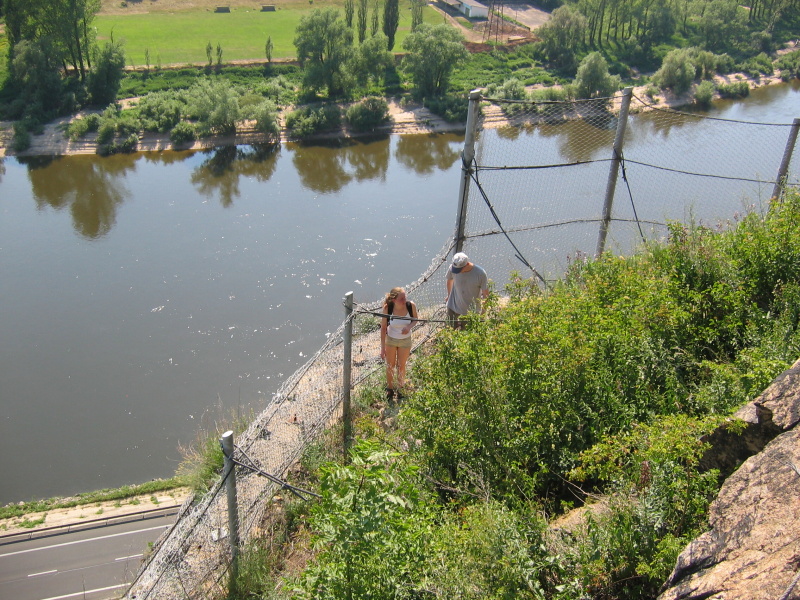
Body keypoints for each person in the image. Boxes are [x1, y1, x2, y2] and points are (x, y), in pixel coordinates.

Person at [380, 287, 417, 399]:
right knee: (390, 365)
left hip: (405, 340)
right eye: (401, 298)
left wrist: (409, 327)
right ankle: (390, 389)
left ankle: (400, 389)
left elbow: (415, 319)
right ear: (394, 300)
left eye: (405, 297)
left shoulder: (411, 306)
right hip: (391, 340)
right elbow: (383, 328)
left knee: (401, 366)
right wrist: (382, 348)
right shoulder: (388, 308)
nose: (404, 300)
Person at [445, 252, 489, 329]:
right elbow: (449, 281)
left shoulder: (480, 273)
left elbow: (486, 295)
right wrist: (449, 296)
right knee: (448, 329)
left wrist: (482, 313)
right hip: (452, 305)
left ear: (467, 264)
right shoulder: (452, 269)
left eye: (460, 269)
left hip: (470, 311)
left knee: (466, 335)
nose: (457, 272)